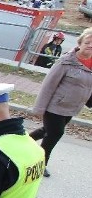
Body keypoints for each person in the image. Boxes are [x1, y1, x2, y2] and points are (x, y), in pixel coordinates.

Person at [29, 27, 92, 177]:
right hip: (55, 106)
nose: (90, 45)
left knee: (47, 131)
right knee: (55, 134)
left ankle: (22, 142)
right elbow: (48, 85)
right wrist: (39, 109)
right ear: (80, 43)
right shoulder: (66, 61)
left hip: (71, 107)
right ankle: (40, 164)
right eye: (88, 42)